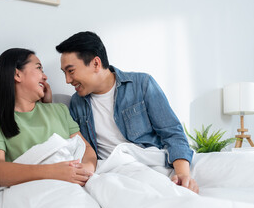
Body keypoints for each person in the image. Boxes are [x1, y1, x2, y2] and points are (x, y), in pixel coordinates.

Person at [55, 31, 199, 193]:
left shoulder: (142, 84)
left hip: (151, 163)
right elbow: (81, 149)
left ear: (96, 63)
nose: (67, 80)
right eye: (64, 73)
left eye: (71, 71)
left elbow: (172, 133)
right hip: (113, 172)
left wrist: (182, 174)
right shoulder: (77, 103)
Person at [0, 48, 97, 187]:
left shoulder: (59, 110)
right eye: (39, 69)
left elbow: (85, 148)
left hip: (78, 184)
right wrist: (54, 173)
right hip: (35, 191)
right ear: (17, 74)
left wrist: (86, 170)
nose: (45, 76)